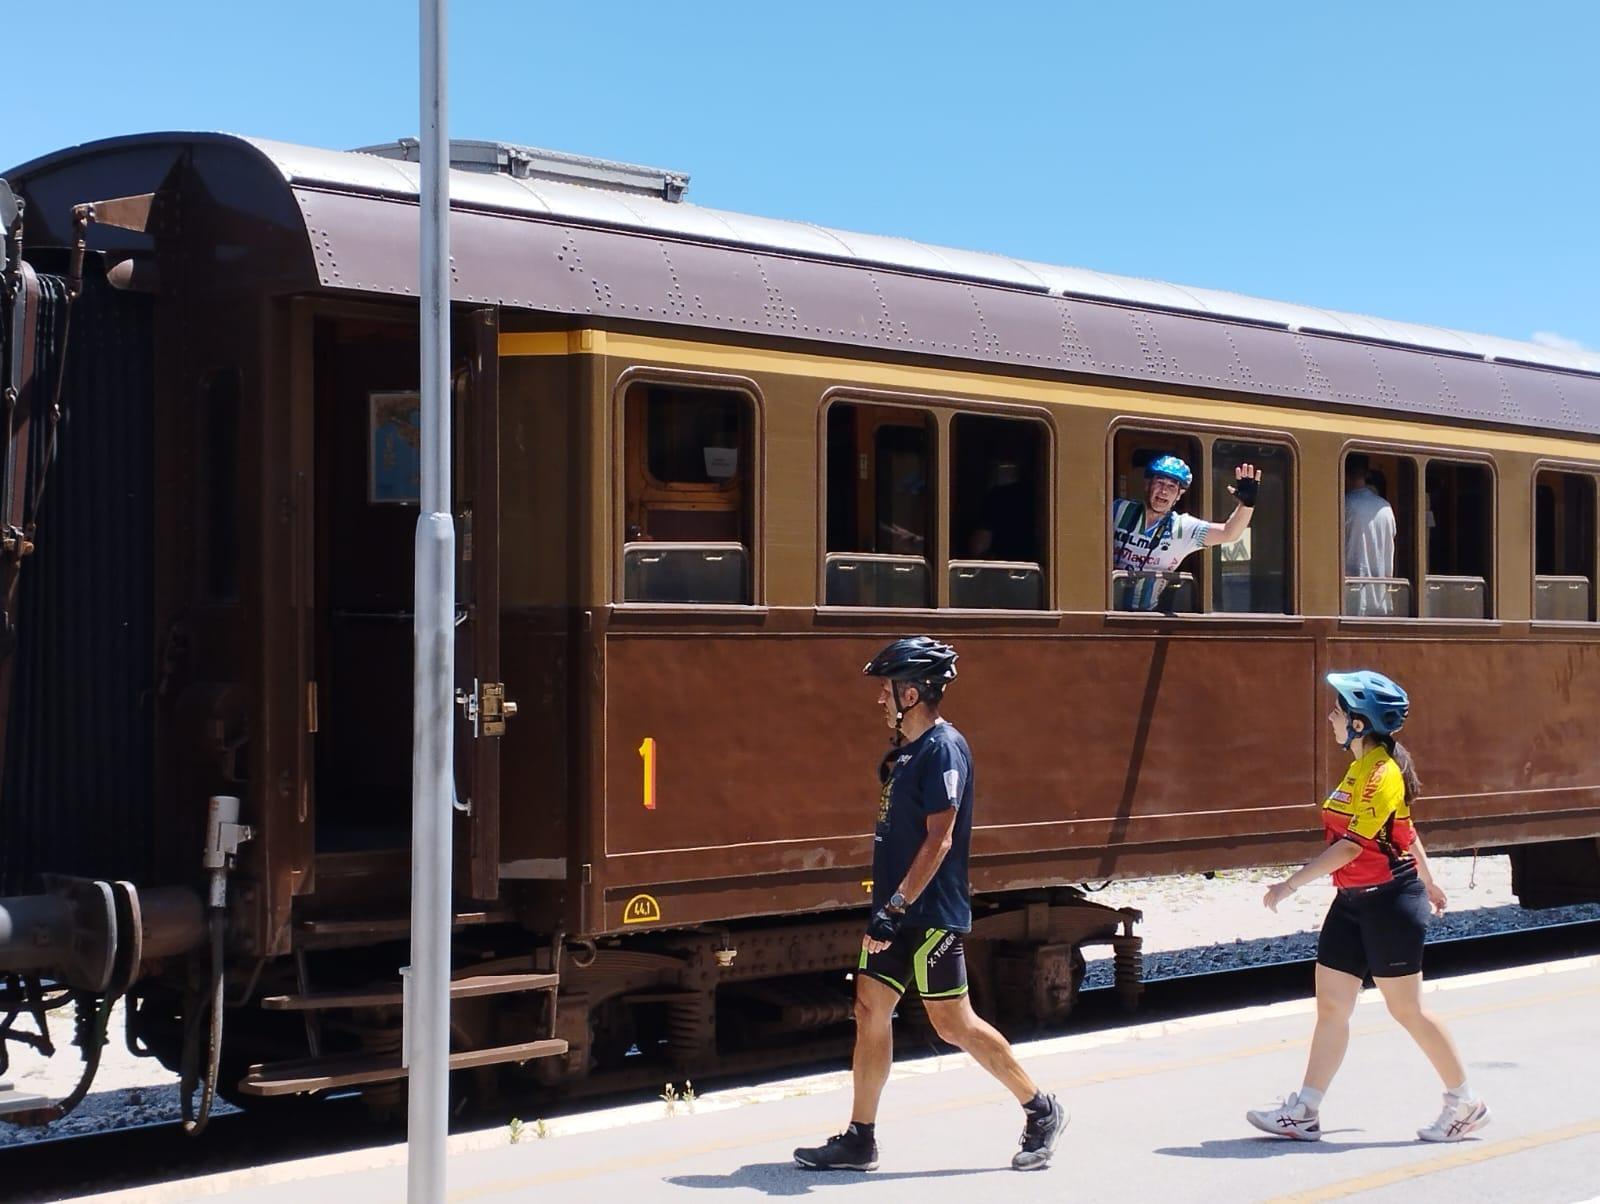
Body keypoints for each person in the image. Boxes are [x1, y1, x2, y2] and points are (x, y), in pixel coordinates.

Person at [794, 637, 1066, 1173]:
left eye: (887, 691)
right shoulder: (908, 753)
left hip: (927, 914)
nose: (881, 701)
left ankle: (1042, 1109)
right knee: (870, 1010)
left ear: (911, 693)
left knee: (952, 1023)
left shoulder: (944, 748)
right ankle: (860, 1138)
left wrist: (894, 907)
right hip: (895, 914)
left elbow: (939, 839)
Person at [1246, 671, 1490, 1144]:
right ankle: (1305, 1110)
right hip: (1354, 902)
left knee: (1408, 1011)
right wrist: (1432, 878)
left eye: (1339, 710)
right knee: (1332, 1006)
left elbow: (1352, 847)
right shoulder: (1360, 768)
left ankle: (1465, 1103)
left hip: (1390, 903)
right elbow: (1405, 829)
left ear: (1360, 723)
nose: (1332, 716)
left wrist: (1289, 885)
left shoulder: (1383, 774)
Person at [1111, 454, 1261, 611]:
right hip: (1108, 609)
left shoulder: (1183, 527)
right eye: (1159, 483)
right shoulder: (1119, 509)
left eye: (1171, 487)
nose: (1163, 491)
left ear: (1178, 495)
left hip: (1148, 615)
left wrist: (1247, 504)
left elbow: (1229, 533)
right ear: (1147, 485)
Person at [1344, 454, 1398, 615]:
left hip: (1352, 600)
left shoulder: (1344, 505)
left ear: (1344, 473)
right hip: (1381, 599)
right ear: (1367, 474)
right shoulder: (1386, 508)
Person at [968, 460, 1036, 562]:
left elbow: (979, 546)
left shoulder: (996, 498)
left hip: (1000, 571)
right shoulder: (1037, 498)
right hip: (1032, 570)